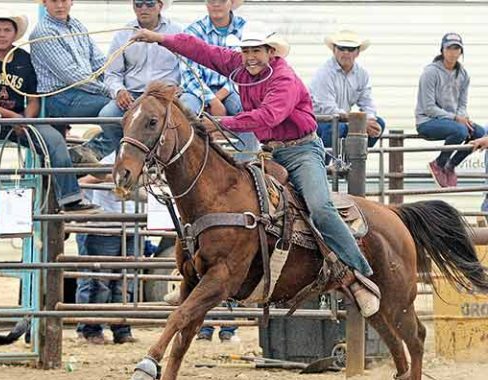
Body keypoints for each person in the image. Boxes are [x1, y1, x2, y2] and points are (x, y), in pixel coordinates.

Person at [131, 27, 381, 317]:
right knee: (234, 204)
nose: (250, 57)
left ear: (270, 52)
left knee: (321, 208)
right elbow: (202, 50)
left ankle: (359, 274)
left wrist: (225, 123)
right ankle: (199, 277)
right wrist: (160, 38)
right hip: (269, 152)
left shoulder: (284, 78)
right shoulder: (240, 68)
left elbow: (269, 115)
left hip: (301, 151)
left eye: (256, 51)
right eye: (246, 51)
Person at [0, 14, 96, 212]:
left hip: (17, 118)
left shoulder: (25, 60)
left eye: (7, 30)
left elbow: (34, 99)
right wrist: (15, 117)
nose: (1, 35)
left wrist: (26, 119)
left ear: (15, 34)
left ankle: (70, 198)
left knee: (54, 139)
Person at [29, 0, 119, 165]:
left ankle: (86, 154)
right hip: (60, 98)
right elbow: (71, 74)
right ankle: (93, 151)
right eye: (54, 1)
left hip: (81, 93)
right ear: (44, 3)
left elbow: (99, 62)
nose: (60, 5)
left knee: (126, 110)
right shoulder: (43, 32)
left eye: (64, 0)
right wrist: (111, 90)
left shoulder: (77, 25)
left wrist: (117, 85)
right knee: (120, 110)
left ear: (71, 2)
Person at [75, 147, 137, 345]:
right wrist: (111, 178)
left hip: (131, 226)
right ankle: (92, 328)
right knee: (100, 282)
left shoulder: (139, 158)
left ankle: (121, 328)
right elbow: (87, 181)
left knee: (124, 283)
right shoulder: (110, 159)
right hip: (105, 226)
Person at [179, 0, 257, 157]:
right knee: (184, 110)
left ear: (231, 2)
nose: (216, 4)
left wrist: (218, 97)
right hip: (197, 91)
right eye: (211, 0)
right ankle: (190, 162)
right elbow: (189, 73)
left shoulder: (246, 30)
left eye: (222, 0)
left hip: (232, 89)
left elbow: (245, 69)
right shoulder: (193, 31)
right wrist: (212, 100)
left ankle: (245, 162)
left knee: (248, 108)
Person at [100, 0, 182, 145]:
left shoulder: (177, 31)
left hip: (167, 96)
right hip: (133, 97)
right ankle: (126, 158)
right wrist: (119, 91)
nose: (144, 8)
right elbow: (112, 73)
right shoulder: (123, 34)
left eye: (149, 4)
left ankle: (170, 161)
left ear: (160, 6)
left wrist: (181, 87)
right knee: (107, 116)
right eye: (139, 4)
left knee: (188, 115)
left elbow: (190, 67)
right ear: (133, 6)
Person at [416, 32, 484, 188]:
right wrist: (455, 118)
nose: (453, 52)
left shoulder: (463, 74)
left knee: (478, 133)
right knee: (460, 131)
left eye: (456, 48)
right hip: (428, 121)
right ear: (442, 50)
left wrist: (462, 117)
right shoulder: (430, 72)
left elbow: (462, 103)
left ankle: (450, 165)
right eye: (449, 48)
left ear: (461, 51)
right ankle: (438, 164)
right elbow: (429, 107)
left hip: (453, 121)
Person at [311, 30, 385, 150]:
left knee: (378, 124)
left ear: (357, 52)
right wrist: (359, 123)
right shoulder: (324, 73)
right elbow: (328, 109)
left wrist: (370, 119)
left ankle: (353, 160)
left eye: (350, 49)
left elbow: (367, 102)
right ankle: (328, 163)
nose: (346, 53)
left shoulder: (362, 74)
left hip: (341, 121)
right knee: (337, 129)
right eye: (341, 48)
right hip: (319, 121)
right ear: (334, 50)